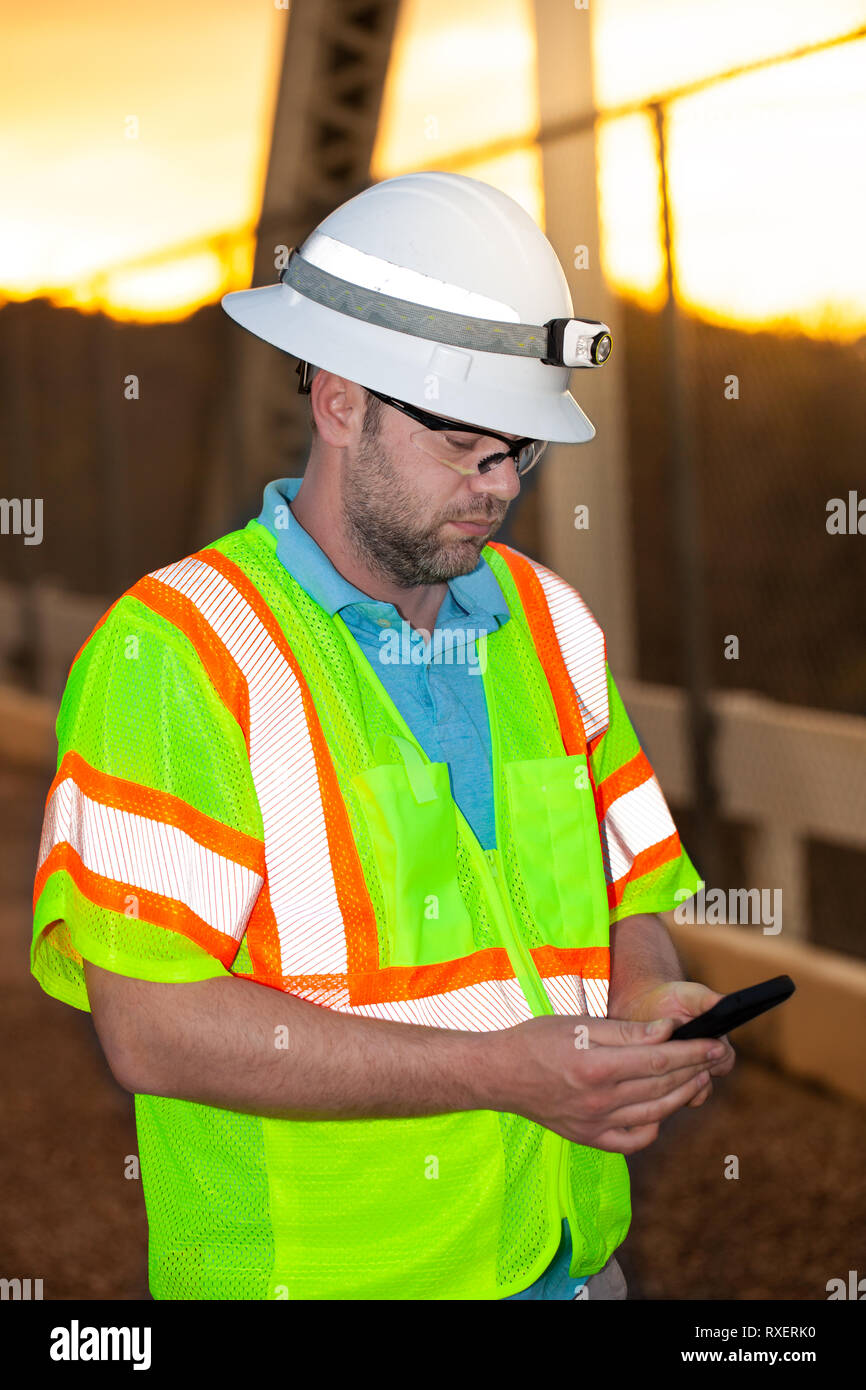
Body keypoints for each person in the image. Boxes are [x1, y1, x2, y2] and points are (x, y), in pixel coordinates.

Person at [31, 170, 734, 1301]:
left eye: (520, 449)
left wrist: (645, 999)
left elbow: (625, 888)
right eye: (464, 443)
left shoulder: (548, 623)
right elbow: (152, 1026)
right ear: (341, 401)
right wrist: (499, 1073)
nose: (498, 483)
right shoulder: (177, 653)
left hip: (563, 1257)